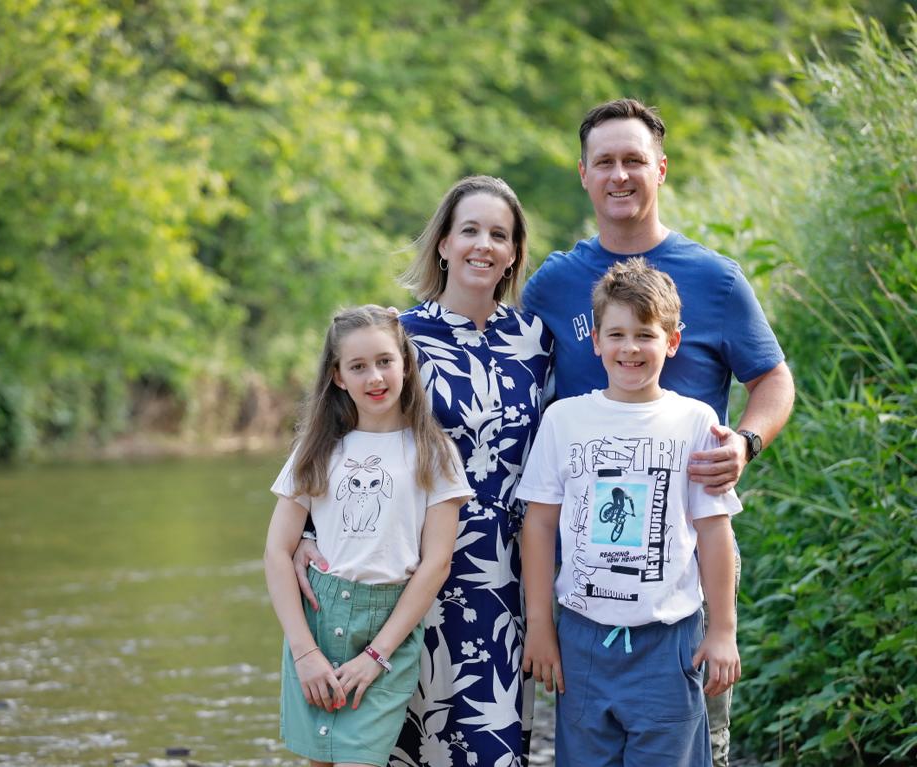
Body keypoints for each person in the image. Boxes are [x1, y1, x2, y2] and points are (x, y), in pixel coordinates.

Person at [523, 98, 795, 765]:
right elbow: (508, 378)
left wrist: (745, 440)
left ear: (661, 169)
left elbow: (774, 381)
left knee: (700, 747)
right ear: (583, 173)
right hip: (582, 594)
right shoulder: (554, 284)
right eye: (605, 161)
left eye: (634, 160)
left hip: (679, 580)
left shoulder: (716, 279)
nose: (620, 175)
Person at [295, 176, 553, 766]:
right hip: (401, 569)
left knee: (489, 741)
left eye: (499, 234)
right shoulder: (400, 338)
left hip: (503, 571)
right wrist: (306, 535)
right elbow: (341, 438)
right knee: (395, 741)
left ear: (514, 253)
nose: (482, 245)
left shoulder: (536, 341)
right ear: (442, 242)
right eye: (469, 230)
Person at [519, 257, 742, 766]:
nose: (630, 348)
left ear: (672, 342)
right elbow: (539, 524)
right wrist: (540, 625)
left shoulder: (693, 421)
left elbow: (714, 531)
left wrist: (722, 629)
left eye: (645, 335)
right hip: (582, 637)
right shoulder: (564, 420)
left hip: (669, 642)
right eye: (616, 334)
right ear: (594, 340)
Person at [264, 305, 474, 767]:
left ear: (405, 363)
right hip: (318, 620)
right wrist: (305, 653)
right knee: (319, 760)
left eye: (385, 361)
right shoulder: (317, 448)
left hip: (388, 626)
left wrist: (377, 654)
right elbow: (277, 552)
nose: (374, 377)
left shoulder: (433, 452)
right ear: (338, 376)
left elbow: (437, 563)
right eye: (358, 366)